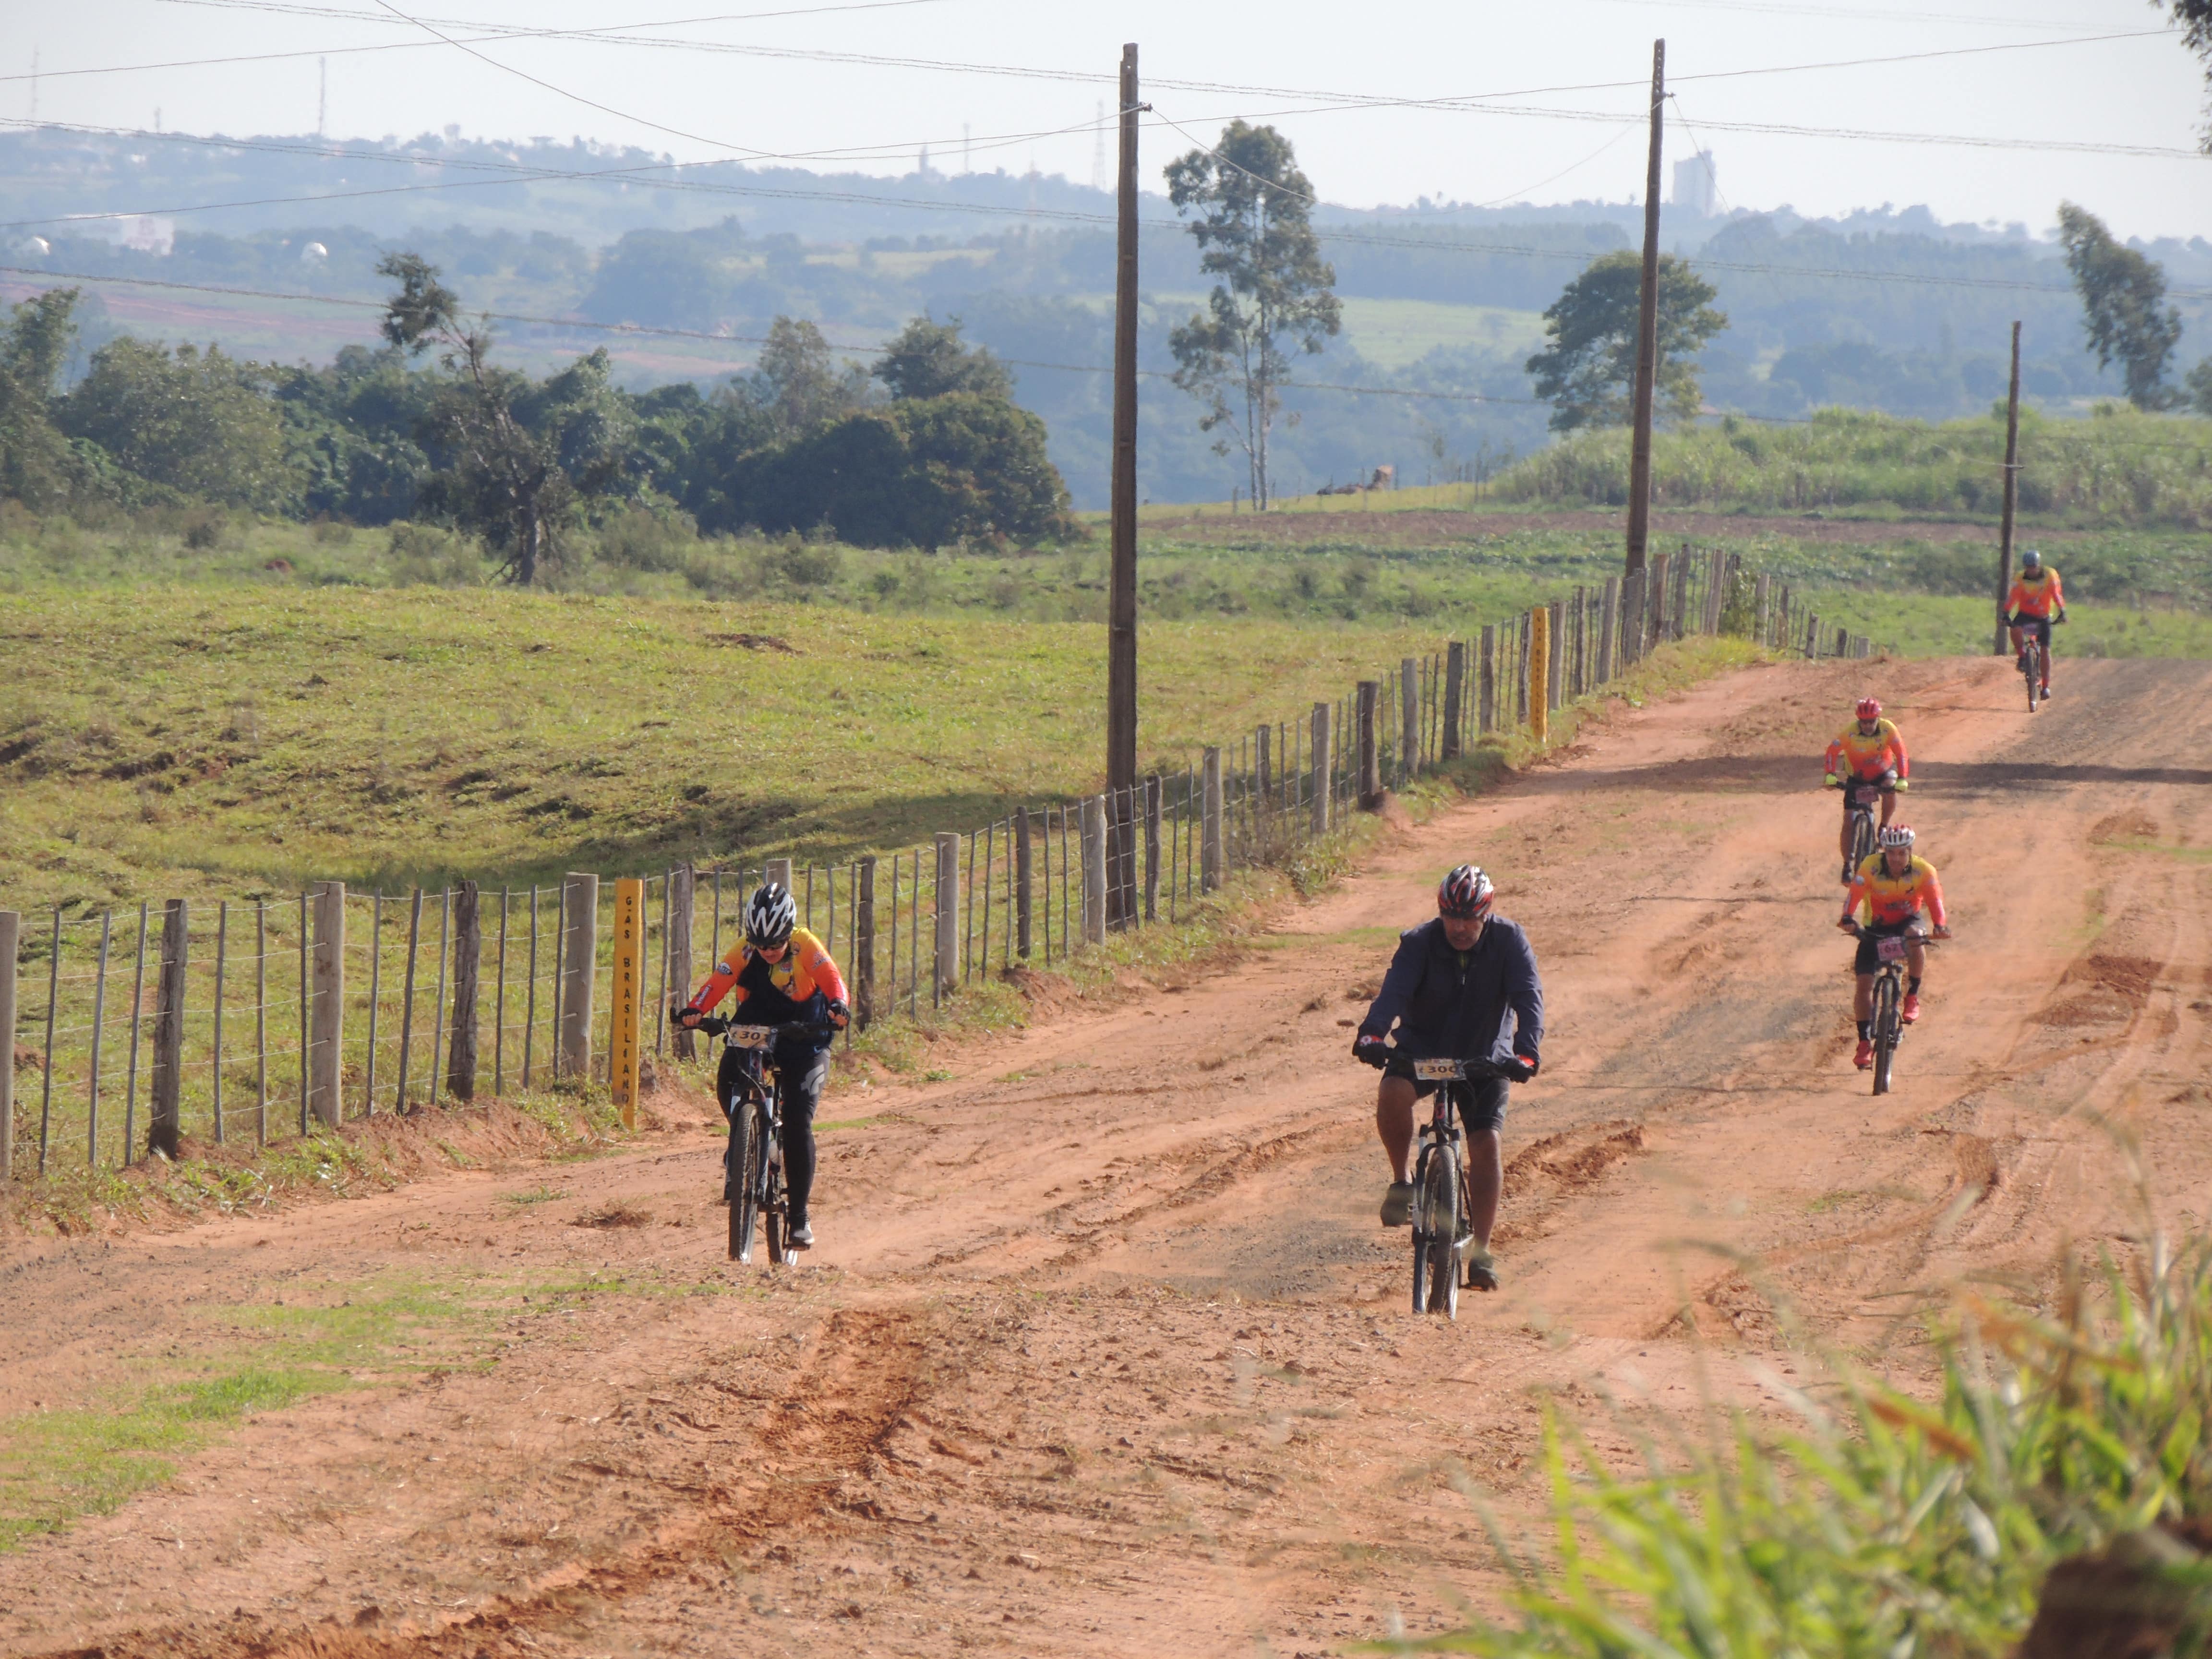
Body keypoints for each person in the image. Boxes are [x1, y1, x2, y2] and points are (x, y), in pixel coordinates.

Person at [1352, 865, 1542, 1292]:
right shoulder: (1419, 943)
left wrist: (1527, 1052)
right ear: (1440, 912)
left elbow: (1529, 999)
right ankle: (1402, 1182)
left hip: (1485, 1055)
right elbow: (1393, 993)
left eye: (1469, 917)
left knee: (1486, 1142)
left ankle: (1482, 1252)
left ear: (1486, 913)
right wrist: (1372, 1034)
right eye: (1451, 916)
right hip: (1423, 1049)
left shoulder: (1510, 941)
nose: (1459, 927)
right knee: (1392, 1092)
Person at [674, 882, 850, 1249]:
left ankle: (799, 1217)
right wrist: (695, 1009)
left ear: (789, 933)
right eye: (760, 944)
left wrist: (839, 1006)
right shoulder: (745, 950)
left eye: (776, 944)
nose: (768, 951)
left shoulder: (805, 945)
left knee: (798, 1121)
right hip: (758, 1027)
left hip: (805, 1034)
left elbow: (833, 979)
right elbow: (718, 981)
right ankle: (749, 1141)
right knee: (728, 1078)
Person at [1836, 824, 1950, 1070]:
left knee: (1916, 936)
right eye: (1890, 853)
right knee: (1864, 985)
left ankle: (1912, 996)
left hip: (1907, 923)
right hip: (1875, 927)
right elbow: (1854, 894)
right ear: (1884, 852)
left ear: (1910, 851)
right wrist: (1847, 917)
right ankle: (1864, 1043)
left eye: (1901, 853)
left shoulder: (1924, 871)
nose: (1896, 859)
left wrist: (1940, 925)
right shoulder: (1870, 867)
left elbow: (1936, 901)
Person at [1823, 695, 1910, 883]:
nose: (1868, 726)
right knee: (1848, 819)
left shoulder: (1888, 729)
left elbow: (1901, 753)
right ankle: (1847, 864)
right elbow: (1832, 751)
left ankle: (1883, 826)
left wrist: (1902, 778)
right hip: (1857, 777)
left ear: (1878, 718)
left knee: (1890, 788)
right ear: (1859, 721)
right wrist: (1830, 774)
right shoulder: (1850, 732)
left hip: (1883, 772)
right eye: (1864, 722)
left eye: (1872, 721)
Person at [2005, 548, 2067, 699]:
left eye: (2033, 567)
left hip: (2043, 616)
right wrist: (2005, 612)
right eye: (2028, 567)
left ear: (2039, 565)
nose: (2031, 570)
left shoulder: (2050, 575)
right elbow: (2013, 597)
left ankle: (2046, 686)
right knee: (2015, 629)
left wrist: (2062, 611)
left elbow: (2057, 594)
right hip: (2025, 614)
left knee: (2045, 650)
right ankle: (2022, 657)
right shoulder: (2020, 578)